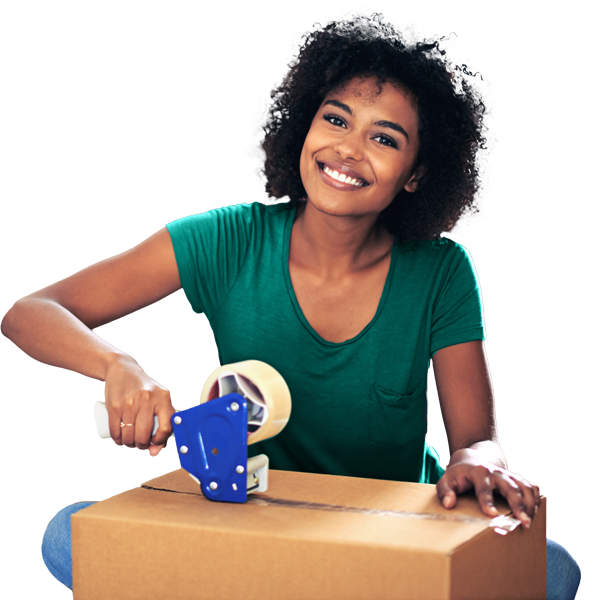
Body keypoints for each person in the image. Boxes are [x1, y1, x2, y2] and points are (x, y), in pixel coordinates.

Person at [1, 6, 580, 599]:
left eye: (384, 138)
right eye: (336, 119)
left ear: (415, 174)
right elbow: (29, 311)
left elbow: (474, 437)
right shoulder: (224, 241)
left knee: (553, 569)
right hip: (259, 521)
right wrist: (116, 367)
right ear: (306, 125)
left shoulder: (440, 271)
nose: (348, 149)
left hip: (390, 534)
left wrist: (481, 461)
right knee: (66, 534)